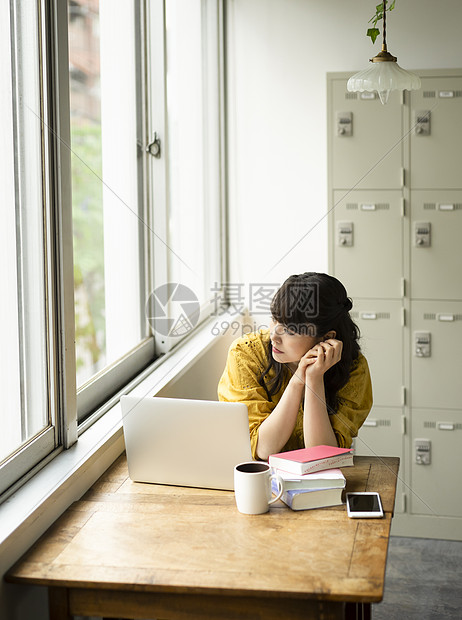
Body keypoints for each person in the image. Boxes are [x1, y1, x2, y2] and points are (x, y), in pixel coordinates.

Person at [218, 272, 373, 461]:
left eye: (291, 330)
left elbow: (321, 455)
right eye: (275, 319)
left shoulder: (354, 368)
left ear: (326, 338)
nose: (274, 335)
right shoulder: (246, 354)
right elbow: (264, 449)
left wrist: (314, 379)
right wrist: (298, 381)